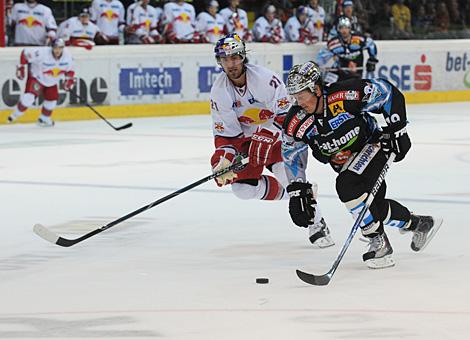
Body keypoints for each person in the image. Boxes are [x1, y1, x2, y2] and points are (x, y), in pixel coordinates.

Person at [281, 61, 443, 268]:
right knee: (371, 207)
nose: (298, 102)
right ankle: (419, 224)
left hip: (372, 146)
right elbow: (291, 154)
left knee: (347, 186)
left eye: (301, 95)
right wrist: (297, 189)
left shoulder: (345, 96)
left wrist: (397, 129)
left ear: (317, 89)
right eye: (293, 96)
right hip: (346, 162)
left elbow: (388, 93)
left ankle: (379, 244)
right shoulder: (296, 122)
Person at [209, 34, 334, 247]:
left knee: (286, 176)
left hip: (277, 137)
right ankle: (300, 193)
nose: (231, 64)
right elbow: (227, 136)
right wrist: (225, 159)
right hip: (248, 144)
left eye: (235, 57)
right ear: (219, 62)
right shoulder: (219, 91)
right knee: (243, 190)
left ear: (243, 56)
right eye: (225, 59)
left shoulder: (265, 79)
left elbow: (288, 114)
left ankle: (317, 222)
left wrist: (267, 134)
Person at [7, 39, 75, 127]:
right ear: (52, 47)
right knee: (29, 98)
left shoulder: (68, 57)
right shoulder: (42, 53)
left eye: (60, 48)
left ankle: (44, 119)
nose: (57, 50)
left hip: (52, 81)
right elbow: (25, 53)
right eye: (55, 48)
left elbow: (70, 71)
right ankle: (14, 115)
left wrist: (69, 81)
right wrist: (21, 67)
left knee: (52, 101)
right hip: (37, 77)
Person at [316, 16, 378, 83]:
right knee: (326, 85)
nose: (344, 30)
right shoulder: (333, 43)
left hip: (356, 73)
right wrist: (318, 67)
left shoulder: (359, 39)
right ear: (338, 29)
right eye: (341, 28)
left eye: (346, 27)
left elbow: (371, 44)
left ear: (350, 28)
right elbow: (322, 56)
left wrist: (372, 60)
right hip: (340, 72)